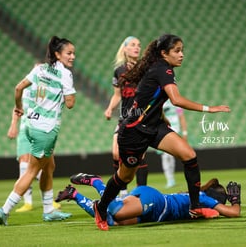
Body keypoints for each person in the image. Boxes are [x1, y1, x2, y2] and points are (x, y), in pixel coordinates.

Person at [93, 34, 231, 230]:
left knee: (189, 156)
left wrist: (162, 119)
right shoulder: (162, 69)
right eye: (177, 51)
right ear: (164, 53)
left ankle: (194, 207)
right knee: (125, 177)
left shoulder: (159, 67)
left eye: (182, 50)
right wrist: (210, 109)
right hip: (133, 131)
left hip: (154, 126)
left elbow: (150, 98)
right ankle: (101, 207)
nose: (182, 55)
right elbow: (176, 100)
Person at [0, 36, 76, 225]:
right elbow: (70, 103)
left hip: (31, 125)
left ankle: (49, 210)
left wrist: (18, 107)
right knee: (31, 171)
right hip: (46, 129)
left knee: (49, 166)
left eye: (73, 53)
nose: (73, 57)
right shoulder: (64, 74)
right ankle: (5, 210)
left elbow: (18, 88)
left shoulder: (39, 69)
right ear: (57, 54)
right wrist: (63, 93)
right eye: (69, 53)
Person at [55, 173, 241, 226]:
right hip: (156, 201)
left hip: (152, 213)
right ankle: (97, 182)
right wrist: (235, 201)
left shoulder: (198, 197)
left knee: (111, 220)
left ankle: (74, 194)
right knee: (115, 211)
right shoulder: (203, 198)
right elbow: (234, 213)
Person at [6, 64, 61, 213]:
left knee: (45, 165)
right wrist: (13, 125)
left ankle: (47, 202)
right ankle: (28, 202)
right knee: (25, 164)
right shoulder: (27, 89)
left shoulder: (47, 89)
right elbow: (17, 108)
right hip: (26, 127)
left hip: (40, 128)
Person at [104, 36, 148, 196]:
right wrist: (109, 108)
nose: (137, 47)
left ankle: (141, 192)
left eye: (139, 45)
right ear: (125, 49)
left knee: (139, 156)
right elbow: (117, 95)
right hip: (125, 118)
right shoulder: (119, 71)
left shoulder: (145, 69)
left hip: (141, 117)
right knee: (116, 153)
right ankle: (122, 192)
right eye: (133, 45)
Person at [157, 99, 188, 188]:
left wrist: (185, 132)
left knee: (170, 156)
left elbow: (181, 117)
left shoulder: (176, 101)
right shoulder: (160, 101)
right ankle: (170, 179)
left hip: (175, 131)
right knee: (165, 156)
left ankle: (171, 179)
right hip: (164, 131)